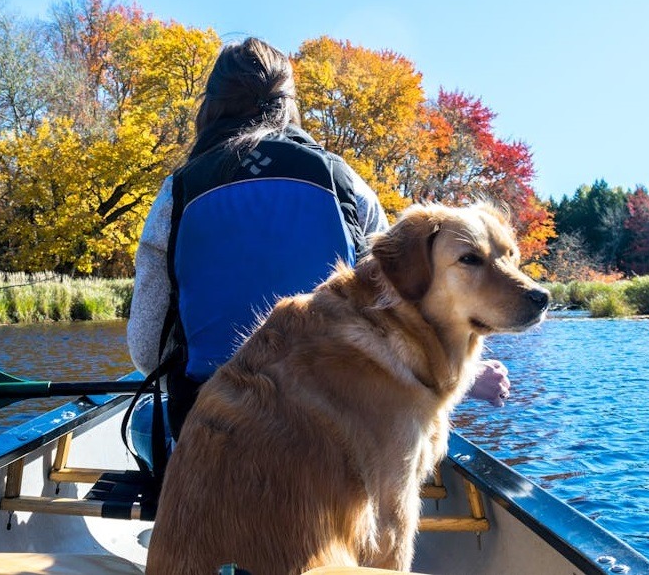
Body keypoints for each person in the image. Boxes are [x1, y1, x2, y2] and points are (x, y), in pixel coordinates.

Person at [126, 38, 512, 459]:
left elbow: (147, 353)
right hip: (339, 435)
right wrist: (467, 378)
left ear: (213, 106)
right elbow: (404, 318)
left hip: (216, 431)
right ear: (290, 104)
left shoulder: (176, 195)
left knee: (145, 418)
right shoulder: (345, 184)